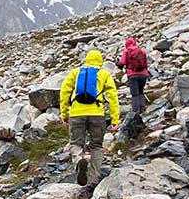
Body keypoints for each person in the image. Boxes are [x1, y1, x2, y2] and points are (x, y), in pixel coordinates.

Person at [59, 49, 120, 190]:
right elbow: (113, 97)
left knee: (75, 143)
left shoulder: (75, 72)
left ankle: (80, 159)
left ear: (86, 59)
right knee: (96, 146)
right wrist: (115, 119)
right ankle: (93, 180)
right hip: (97, 114)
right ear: (100, 61)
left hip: (76, 113)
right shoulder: (104, 74)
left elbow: (64, 92)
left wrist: (64, 114)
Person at [117, 37, 150, 122]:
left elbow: (122, 63)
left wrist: (117, 63)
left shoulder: (127, 51)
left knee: (135, 94)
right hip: (143, 74)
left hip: (132, 75)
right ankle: (143, 109)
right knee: (141, 92)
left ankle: (136, 113)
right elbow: (146, 63)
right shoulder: (141, 51)